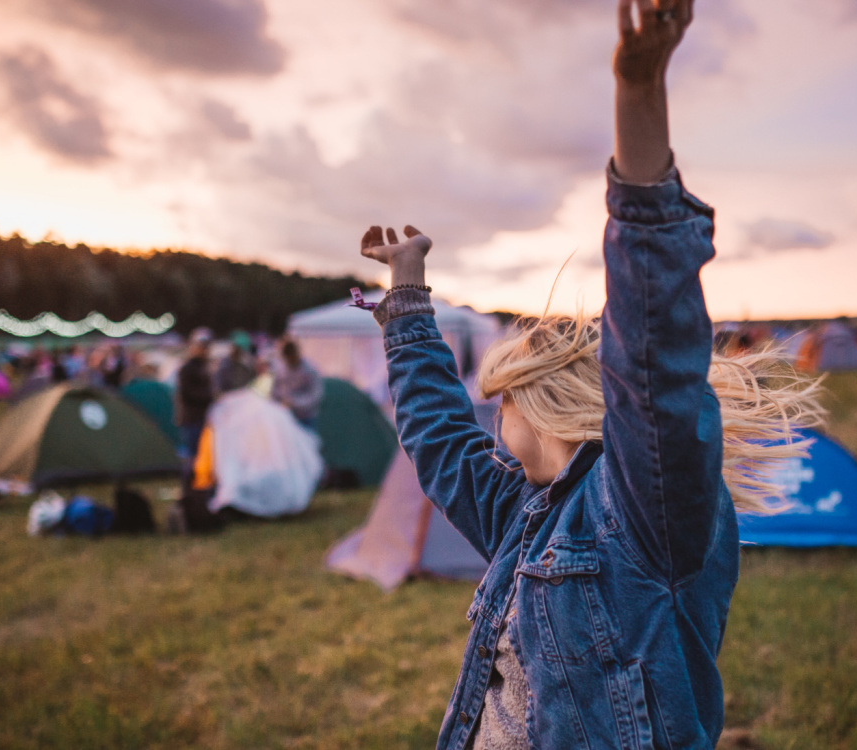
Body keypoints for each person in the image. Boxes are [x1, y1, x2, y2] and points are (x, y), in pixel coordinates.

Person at [356, 2, 822, 746]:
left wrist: (639, 102)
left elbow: (654, 359)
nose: (489, 420)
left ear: (535, 405)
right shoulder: (526, 512)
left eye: (498, 402)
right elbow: (440, 440)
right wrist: (408, 295)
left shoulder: (643, 512)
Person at [176, 331, 215, 463]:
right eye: (201, 347)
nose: (204, 350)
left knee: (201, 453)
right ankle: (189, 481)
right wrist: (209, 396)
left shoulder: (204, 367)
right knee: (193, 454)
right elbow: (187, 393)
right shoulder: (188, 368)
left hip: (203, 417)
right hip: (192, 417)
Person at [272, 340, 324, 430]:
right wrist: (280, 403)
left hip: (305, 417)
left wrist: (294, 402)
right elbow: (275, 391)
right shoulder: (280, 369)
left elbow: (316, 395)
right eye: (288, 357)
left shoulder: (310, 370)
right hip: (286, 416)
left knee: (306, 442)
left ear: (297, 353)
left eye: (292, 355)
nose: (291, 359)